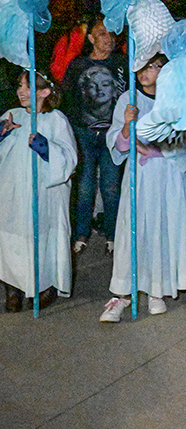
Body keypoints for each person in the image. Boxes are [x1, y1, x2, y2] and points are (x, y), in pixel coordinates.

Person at [100, 54, 186, 323]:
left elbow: (185, 141)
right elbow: (117, 143)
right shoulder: (128, 99)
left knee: (162, 227)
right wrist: (128, 126)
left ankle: (157, 290)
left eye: (152, 66)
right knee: (134, 228)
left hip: (167, 177)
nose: (145, 72)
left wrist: (154, 150)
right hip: (138, 177)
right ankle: (121, 293)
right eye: (141, 66)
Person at [0, 71, 76, 312]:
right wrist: (3, 133)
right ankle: (13, 286)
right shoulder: (13, 116)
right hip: (12, 191)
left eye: (28, 87)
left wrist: (45, 147)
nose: (20, 91)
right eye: (20, 86)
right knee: (11, 235)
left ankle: (45, 285)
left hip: (44, 194)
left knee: (42, 235)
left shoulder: (57, 120)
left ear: (45, 92)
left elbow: (69, 159)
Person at [61, 16, 126, 254]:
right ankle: (81, 234)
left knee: (111, 186)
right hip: (84, 134)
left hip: (112, 135)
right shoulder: (78, 65)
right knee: (86, 186)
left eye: (110, 34)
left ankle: (112, 234)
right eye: (101, 34)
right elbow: (67, 97)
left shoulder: (122, 64)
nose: (107, 39)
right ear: (90, 38)